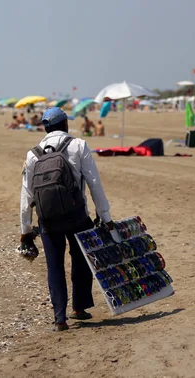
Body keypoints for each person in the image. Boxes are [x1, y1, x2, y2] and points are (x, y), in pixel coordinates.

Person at [19, 107, 121, 331]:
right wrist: (105, 216)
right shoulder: (79, 145)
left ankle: (59, 318)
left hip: (48, 220)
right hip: (77, 216)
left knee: (54, 266)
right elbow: (95, 184)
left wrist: (25, 230)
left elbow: (27, 195)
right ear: (65, 124)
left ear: (46, 128)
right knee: (81, 258)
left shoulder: (32, 154)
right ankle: (79, 307)